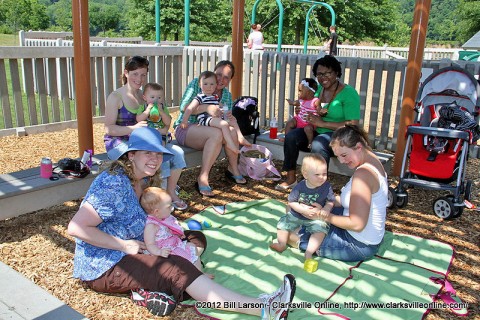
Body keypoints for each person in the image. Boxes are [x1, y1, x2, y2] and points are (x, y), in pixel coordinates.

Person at [68, 126, 297, 319]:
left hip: (139, 244)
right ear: (131, 155)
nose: (154, 159)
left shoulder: (143, 179)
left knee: (194, 239)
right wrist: (124, 245)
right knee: (178, 269)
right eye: (147, 153)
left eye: (158, 154)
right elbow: (76, 228)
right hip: (106, 264)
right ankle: (265, 308)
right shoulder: (113, 183)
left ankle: (161, 288)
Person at [288, 125, 388, 262]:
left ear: (358, 147)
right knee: (304, 213)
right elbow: (352, 201)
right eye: (337, 156)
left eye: (344, 155)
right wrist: (324, 200)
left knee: (288, 235)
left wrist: (323, 216)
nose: (341, 161)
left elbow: (357, 224)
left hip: (357, 244)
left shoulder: (363, 175)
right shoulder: (373, 160)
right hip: (368, 237)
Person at [104, 56, 187, 210]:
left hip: (144, 142)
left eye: (143, 74)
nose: (139, 78)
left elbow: (159, 121)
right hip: (119, 142)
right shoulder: (116, 97)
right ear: (126, 73)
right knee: (150, 158)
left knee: (177, 153)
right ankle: (149, 201)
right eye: (135, 74)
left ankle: (168, 192)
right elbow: (109, 129)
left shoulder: (146, 96)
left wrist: (160, 130)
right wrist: (133, 128)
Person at [275, 55, 360, 191]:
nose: (323, 77)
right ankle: (291, 178)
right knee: (291, 136)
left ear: (337, 72)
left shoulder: (349, 93)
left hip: (338, 135)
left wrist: (322, 123)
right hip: (314, 130)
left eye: (328, 73)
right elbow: (309, 105)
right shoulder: (319, 90)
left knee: (318, 144)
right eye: (319, 74)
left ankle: (317, 187)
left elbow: (353, 123)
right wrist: (301, 110)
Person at [174, 61, 250, 197]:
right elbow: (184, 107)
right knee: (217, 133)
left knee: (230, 130)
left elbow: (225, 119)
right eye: (219, 74)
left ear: (230, 80)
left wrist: (229, 117)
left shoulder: (226, 95)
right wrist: (206, 108)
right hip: (187, 127)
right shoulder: (200, 83)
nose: (221, 79)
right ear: (214, 73)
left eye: (226, 77)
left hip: (211, 128)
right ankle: (203, 176)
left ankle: (233, 168)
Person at [270, 154, 334, 261]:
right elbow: (291, 202)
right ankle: (281, 244)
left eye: (324, 173)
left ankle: (309, 252)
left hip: (315, 217)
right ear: (306, 174)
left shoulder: (326, 186)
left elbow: (331, 200)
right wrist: (302, 210)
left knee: (321, 230)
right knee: (283, 223)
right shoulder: (300, 187)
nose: (322, 177)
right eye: (317, 174)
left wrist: (326, 208)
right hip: (298, 214)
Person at [136, 82, 188, 210]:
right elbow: (139, 119)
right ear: (144, 97)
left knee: (179, 153)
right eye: (152, 97)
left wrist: (161, 111)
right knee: (163, 156)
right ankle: (160, 194)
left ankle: (170, 190)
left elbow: (167, 122)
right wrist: (147, 111)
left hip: (161, 139)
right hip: (148, 142)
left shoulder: (162, 108)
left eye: (159, 97)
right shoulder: (142, 107)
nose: (156, 100)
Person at [141, 187, 207, 275]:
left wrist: (178, 234)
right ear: (156, 211)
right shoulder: (151, 226)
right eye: (169, 207)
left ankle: (199, 273)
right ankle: (191, 276)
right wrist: (159, 252)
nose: (172, 208)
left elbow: (168, 231)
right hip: (165, 252)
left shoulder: (163, 217)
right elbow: (150, 244)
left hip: (175, 244)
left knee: (191, 246)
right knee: (181, 260)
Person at [180, 71, 240, 155]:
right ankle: (230, 144)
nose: (208, 87)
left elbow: (220, 105)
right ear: (200, 85)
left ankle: (238, 138)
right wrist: (184, 121)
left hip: (211, 119)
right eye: (205, 84)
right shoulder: (200, 97)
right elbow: (189, 108)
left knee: (230, 124)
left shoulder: (214, 97)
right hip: (205, 119)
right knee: (224, 124)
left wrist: (224, 110)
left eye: (211, 84)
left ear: (215, 85)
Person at [284, 78, 320, 149]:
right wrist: (291, 102)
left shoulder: (315, 101)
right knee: (289, 123)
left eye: (300, 91)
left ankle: (310, 142)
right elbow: (295, 103)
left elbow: (318, 108)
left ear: (309, 92)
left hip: (309, 122)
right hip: (299, 119)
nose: (298, 93)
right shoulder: (301, 100)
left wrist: (320, 111)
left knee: (308, 129)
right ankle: (287, 138)